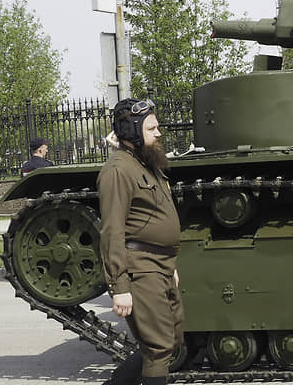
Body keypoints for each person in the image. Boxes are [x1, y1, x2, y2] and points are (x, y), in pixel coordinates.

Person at [98, 98, 183, 385]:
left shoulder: (145, 163)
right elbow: (112, 231)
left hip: (160, 265)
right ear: (133, 130)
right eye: (151, 128)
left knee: (170, 338)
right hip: (141, 267)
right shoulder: (118, 170)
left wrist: (168, 264)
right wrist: (119, 287)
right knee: (159, 348)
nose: (159, 133)